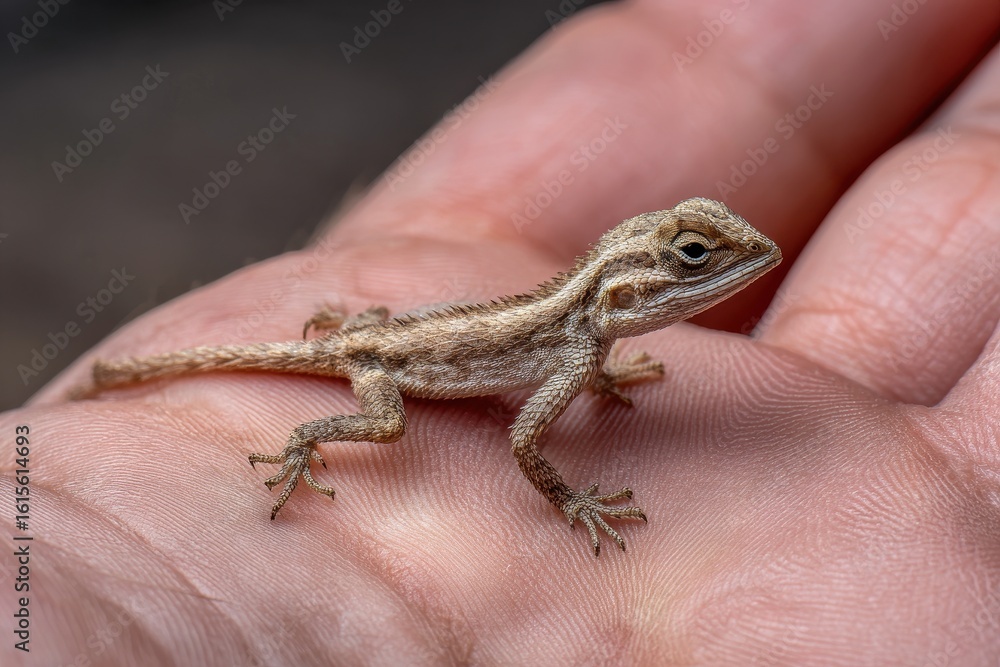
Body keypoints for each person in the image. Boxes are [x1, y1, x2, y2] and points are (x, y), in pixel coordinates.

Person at [9, 1, 1000, 663]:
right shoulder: (569, 341)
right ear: (622, 288)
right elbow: (527, 437)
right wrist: (571, 504)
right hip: (384, 361)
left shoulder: (585, 336)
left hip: (427, 332)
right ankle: (306, 437)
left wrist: (604, 377)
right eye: (692, 259)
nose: (726, 263)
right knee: (386, 431)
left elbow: (562, 381)